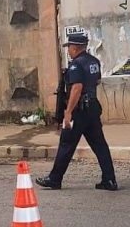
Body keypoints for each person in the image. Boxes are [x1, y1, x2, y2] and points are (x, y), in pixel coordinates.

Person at [35, 34, 117, 191]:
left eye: (69, 48)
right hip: (92, 108)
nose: (68, 51)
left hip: (79, 111)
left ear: (75, 48)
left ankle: (54, 179)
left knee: (66, 144)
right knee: (100, 145)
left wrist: (68, 112)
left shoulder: (76, 65)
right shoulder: (94, 61)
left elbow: (77, 88)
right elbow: (96, 81)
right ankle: (110, 180)